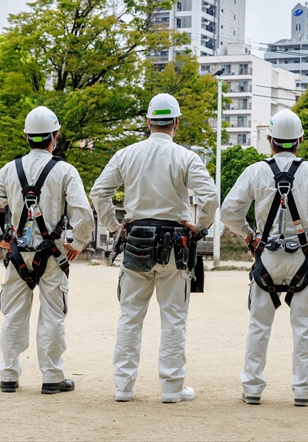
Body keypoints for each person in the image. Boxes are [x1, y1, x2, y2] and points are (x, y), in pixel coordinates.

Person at [90, 93, 218, 404]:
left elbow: (99, 192)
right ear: (176, 123)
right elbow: (210, 196)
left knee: (130, 316)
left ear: (148, 122)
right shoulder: (187, 157)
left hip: (136, 242)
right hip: (176, 244)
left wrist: (113, 227)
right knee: (174, 317)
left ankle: (124, 386)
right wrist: (200, 225)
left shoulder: (126, 155)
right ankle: (172, 388)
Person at [221, 109, 308, 407]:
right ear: (299, 140)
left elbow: (228, 210)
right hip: (303, 258)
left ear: (270, 140)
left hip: (267, 257)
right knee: (304, 328)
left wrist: (248, 235)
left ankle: (252, 388)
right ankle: (303, 389)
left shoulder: (256, 171)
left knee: (258, 325)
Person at [0, 106, 95, 394]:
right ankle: (52, 377)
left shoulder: (10, 169)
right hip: (53, 254)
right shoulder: (65, 170)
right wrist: (78, 244)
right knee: (53, 314)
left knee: (13, 314)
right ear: (55, 136)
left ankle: (8, 375)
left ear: (27, 137)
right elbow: (83, 214)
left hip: (17, 254)